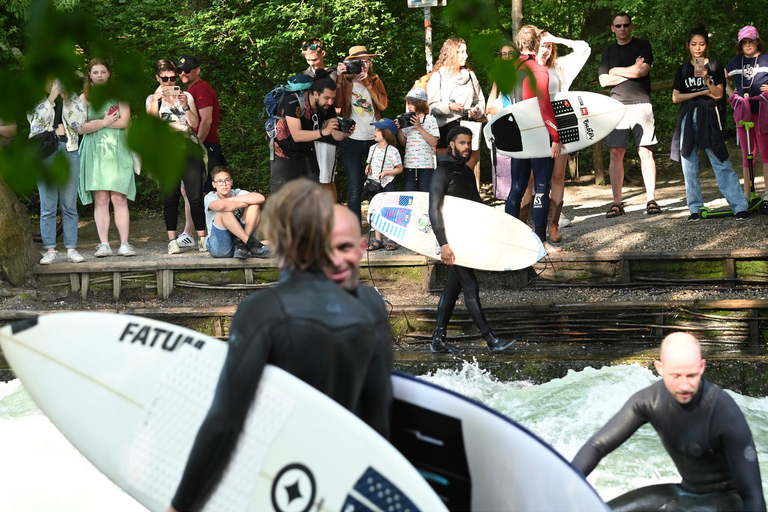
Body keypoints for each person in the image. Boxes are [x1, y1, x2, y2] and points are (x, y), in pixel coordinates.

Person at [166, 179, 393, 512]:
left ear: (282, 238)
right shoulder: (371, 305)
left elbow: (226, 421)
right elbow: (380, 409)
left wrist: (182, 505)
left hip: (280, 484)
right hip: (347, 482)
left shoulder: (262, 311)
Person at [572, 332, 765, 512]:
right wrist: (566, 484)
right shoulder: (648, 401)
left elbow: (752, 495)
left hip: (727, 502)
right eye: (676, 376)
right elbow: (597, 446)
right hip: (685, 492)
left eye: (691, 376)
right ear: (660, 369)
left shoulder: (723, 411)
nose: (684, 385)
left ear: (702, 367)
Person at [429, 126, 515, 354]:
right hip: (452, 240)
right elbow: (433, 210)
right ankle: (491, 340)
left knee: (451, 290)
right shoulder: (442, 172)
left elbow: (477, 206)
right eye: (462, 143)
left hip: (468, 238)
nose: (467, 147)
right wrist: (444, 245)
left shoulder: (466, 172)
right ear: (451, 145)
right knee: (470, 285)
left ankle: (438, 338)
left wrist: (497, 227)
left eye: (469, 143)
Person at [671, 25, 749, 221]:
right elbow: (675, 97)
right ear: (688, 46)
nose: (698, 48)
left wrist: (706, 78)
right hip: (688, 118)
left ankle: (739, 206)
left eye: (702, 44)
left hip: (709, 117)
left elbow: (719, 94)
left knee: (721, 160)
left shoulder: (714, 65)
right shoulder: (683, 69)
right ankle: (695, 209)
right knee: (689, 164)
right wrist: (699, 93)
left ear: (706, 45)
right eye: (694, 44)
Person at [503, 26, 563, 254]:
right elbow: (545, 107)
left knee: (516, 188)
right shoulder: (539, 70)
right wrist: (555, 136)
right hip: (537, 134)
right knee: (540, 187)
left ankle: (510, 241)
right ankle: (540, 241)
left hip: (516, 134)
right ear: (537, 44)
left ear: (519, 44)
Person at [599, 12, 660, 218]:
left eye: (626, 25)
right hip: (616, 107)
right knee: (616, 154)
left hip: (641, 103)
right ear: (612, 28)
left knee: (646, 152)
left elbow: (642, 72)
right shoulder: (608, 52)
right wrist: (630, 69)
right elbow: (603, 81)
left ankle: (651, 199)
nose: (622, 29)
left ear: (631, 26)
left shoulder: (643, 45)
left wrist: (616, 71)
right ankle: (617, 203)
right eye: (618, 26)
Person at [146, 59, 207, 255]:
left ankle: (202, 238)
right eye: (165, 79)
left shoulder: (186, 95)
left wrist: (186, 106)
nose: (170, 82)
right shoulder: (151, 99)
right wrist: (156, 100)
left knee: (195, 196)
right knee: (170, 196)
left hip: (188, 146)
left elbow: (195, 122)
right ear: (157, 78)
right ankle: (172, 240)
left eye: (173, 78)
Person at [78, 58, 136, 258]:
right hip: (94, 150)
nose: (100, 75)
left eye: (103, 72)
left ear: (109, 74)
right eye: (95, 72)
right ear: (90, 75)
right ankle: (104, 244)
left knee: (119, 197)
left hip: (118, 148)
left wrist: (96, 123)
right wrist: (104, 121)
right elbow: (79, 127)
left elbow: (124, 121)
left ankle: (125, 244)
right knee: (101, 199)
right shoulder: (84, 98)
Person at [537, 31, 591, 241]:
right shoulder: (527, 69)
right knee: (535, 179)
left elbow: (585, 48)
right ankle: (533, 227)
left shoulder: (559, 66)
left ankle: (553, 225)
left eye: (550, 45)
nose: (546, 49)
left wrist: (557, 39)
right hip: (536, 125)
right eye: (542, 45)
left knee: (558, 177)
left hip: (562, 123)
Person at [28, 79, 87, 264]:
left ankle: (71, 248)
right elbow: (36, 123)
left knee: (69, 205)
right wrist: (51, 99)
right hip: (46, 152)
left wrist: (67, 100)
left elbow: (79, 123)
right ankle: (50, 249)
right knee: (48, 205)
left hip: (69, 149)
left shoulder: (73, 97)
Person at [176, 55, 227, 251]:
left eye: (187, 70)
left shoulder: (202, 89)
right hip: (196, 145)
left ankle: (213, 233)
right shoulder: (190, 91)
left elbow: (206, 120)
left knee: (209, 190)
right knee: (189, 191)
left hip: (205, 146)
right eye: (180, 70)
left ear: (198, 70)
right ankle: (191, 232)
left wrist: (198, 144)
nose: (183, 73)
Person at [270, 74, 350, 193]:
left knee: (312, 194)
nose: (330, 102)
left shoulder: (328, 107)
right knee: (283, 200)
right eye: (327, 98)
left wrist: (344, 134)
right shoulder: (293, 102)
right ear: (316, 94)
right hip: (284, 155)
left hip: (306, 152)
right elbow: (297, 135)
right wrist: (323, 132)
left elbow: (334, 134)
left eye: (333, 98)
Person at [335, 45, 388, 221]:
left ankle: (379, 227)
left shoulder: (375, 80)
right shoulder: (346, 81)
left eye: (366, 61)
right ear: (350, 63)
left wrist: (367, 82)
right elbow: (338, 105)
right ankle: (354, 230)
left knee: (377, 184)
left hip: (374, 139)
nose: (363, 65)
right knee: (355, 187)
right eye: (359, 62)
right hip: (351, 140)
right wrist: (339, 77)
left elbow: (382, 105)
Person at [427, 37, 485, 189]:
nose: (465, 55)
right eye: (460, 52)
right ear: (450, 54)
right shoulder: (437, 76)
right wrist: (449, 106)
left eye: (465, 52)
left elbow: (481, 102)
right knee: (448, 177)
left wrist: (476, 111)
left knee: (467, 175)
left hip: (469, 127)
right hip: (446, 130)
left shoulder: (471, 76)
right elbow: (431, 108)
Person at [725, 26, 768, 200]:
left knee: (765, 152)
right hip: (743, 112)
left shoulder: (766, 58)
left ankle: (767, 193)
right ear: (740, 45)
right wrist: (732, 97)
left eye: (751, 41)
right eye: (744, 42)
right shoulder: (735, 62)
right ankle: (747, 194)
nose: (748, 45)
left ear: (758, 42)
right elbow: (722, 79)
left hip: (763, 111)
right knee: (747, 153)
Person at [300, 38, 339, 200]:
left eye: (315, 59)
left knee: (326, 179)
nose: (312, 63)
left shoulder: (333, 73)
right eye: (308, 60)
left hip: (326, 127)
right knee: (309, 178)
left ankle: (332, 219)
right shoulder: (303, 75)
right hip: (307, 129)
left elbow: (330, 96)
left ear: (323, 53)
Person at [203, 167, 270, 260]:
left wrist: (230, 201)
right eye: (220, 181)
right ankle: (249, 242)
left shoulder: (237, 192)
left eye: (227, 180)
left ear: (231, 182)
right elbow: (221, 206)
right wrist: (242, 202)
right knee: (224, 211)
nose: (224, 184)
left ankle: (242, 243)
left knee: (254, 206)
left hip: (239, 247)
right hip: (220, 247)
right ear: (214, 184)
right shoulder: (210, 197)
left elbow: (260, 198)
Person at [486, 44, 517, 207]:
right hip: (504, 128)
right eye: (503, 54)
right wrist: (490, 111)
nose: (506, 57)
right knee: (505, 165)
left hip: (520, 126)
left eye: (510, 53)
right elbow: (489, 105)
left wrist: (501, 110)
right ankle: (509, 203)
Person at [365, 118, 402, 251]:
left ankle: (391, 238)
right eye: (375, 129)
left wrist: (387, 172)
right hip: (373, 184)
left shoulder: (393, 151)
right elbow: (369, 163)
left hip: (387, 184)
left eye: (379, 130)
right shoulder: (372, 148)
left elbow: (399, 168)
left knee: (389, 211)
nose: (375, 132)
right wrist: (367, 167)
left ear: (387, 133)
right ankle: (378, 239)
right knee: (375, 211)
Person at [397, 86, 439, 192]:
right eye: (408, 103)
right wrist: (399, 130)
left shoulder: (430, 120)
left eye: (412, 103)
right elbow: (404, 143)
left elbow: (434, 141)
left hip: (426, 166)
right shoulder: (407, 120)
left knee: (425, 195)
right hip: (409, 165)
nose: (409, 106)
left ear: (420, 103)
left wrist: (419, 127)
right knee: (410, 195)